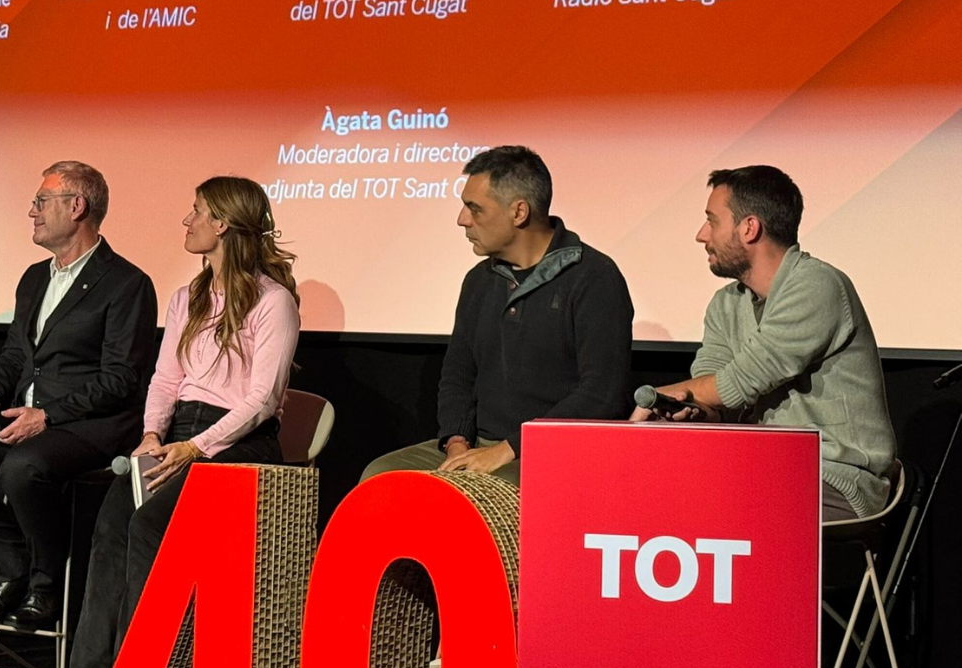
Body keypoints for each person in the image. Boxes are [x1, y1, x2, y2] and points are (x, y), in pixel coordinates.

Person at [61, 176, 301, 668]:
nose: (186, 221)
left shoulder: (273, 300)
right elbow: (166, 379)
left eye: (195, 212)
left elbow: (262, 400)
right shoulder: (187, 297)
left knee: (150, 524)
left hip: (238, 442)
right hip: (178, 436)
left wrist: (197, 446)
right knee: (113, 520)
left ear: (222, 224)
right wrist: (151, 434)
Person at [0, 161, 157, 631]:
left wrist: (46, 415)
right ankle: (13, 565)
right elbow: (15, 355)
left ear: (77, 206)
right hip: (24, 419)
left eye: (41, 201)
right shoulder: (33, 277)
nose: (32, 211)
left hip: (89, 426)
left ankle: (46, 585)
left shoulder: (127, 284)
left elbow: (121, 379)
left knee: (23, 466)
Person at [632, 166, 895, 521]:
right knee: (650, 490)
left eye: (712, 220)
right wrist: (687, 409)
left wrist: (659, 394)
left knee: (707, 506)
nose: (701, 234)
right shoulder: (726, 304)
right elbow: (714, 398)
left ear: (749, 228)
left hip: (834, 476)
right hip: (761, 468)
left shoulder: (817, 286)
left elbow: (736, 383)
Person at [362, 145, 634, 484]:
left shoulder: (593, 277)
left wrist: (508, 450)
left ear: (518, 212)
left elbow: (602, 394)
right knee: (380, 477)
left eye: (474, 208)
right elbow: (458, 375)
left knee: (493, 490)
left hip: (552, 452)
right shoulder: (479, 281)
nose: (462, 219)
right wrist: (457, 444)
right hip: (480, 447)